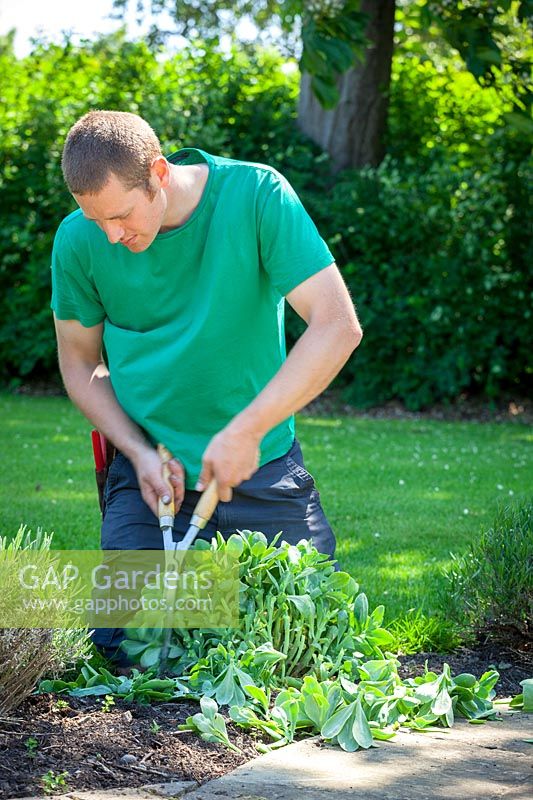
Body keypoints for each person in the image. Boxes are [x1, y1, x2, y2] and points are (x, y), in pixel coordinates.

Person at [51, 110, 363, 662]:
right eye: (96, 220)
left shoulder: (257, 194)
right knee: (132, 651)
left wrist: (247, 430)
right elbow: (80, 366)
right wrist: (140, 453)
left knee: (303, 648)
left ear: (159, 173)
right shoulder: (79, 242)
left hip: (263, 469)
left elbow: (337, 324)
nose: (112, 236)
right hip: (154, 482)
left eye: (121, 216)